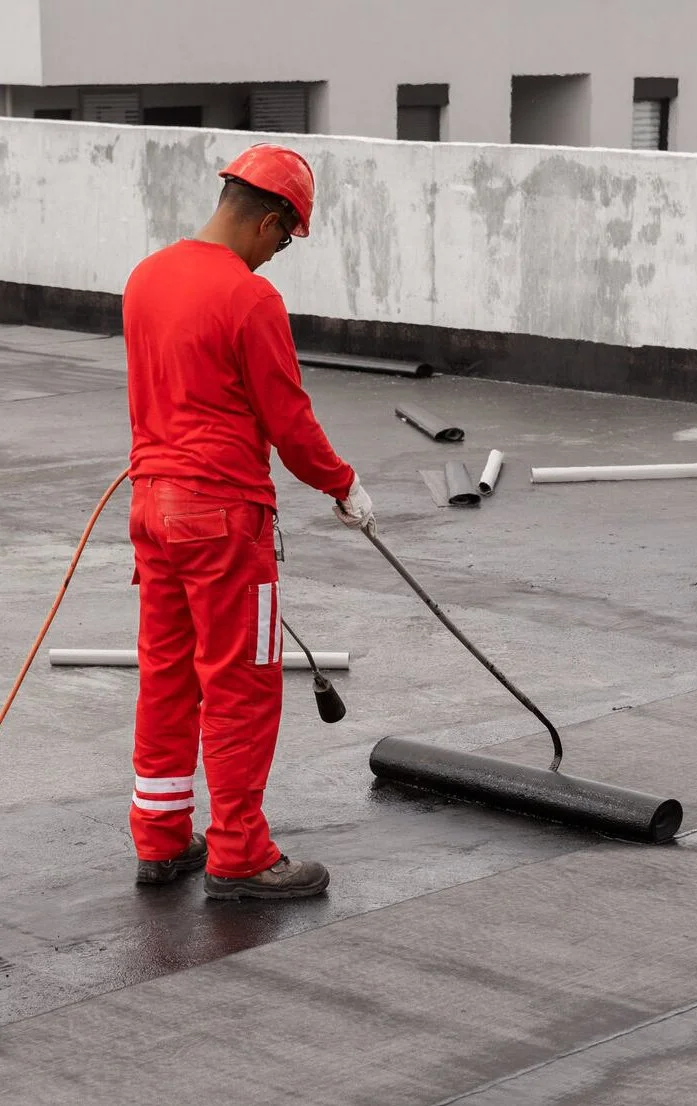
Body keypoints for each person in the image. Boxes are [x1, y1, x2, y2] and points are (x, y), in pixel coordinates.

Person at [123, 144, 375, 900]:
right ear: (270, 221)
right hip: (223, 520)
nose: (275, 259)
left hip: (152, 508)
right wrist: (342, 485)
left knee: (167, 675)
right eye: (283, 242)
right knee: (241, 685)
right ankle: (239, 854)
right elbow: (288, 421)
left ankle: (162, 840)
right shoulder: (248, 298)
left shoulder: (146, 277)